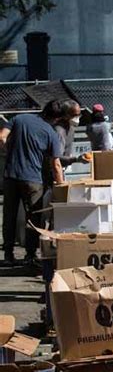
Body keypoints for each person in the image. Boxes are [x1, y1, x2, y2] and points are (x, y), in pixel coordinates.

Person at [2, 100, 63, 266]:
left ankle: (8, 255)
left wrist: (9, 153)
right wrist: (62, 186)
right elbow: (56, 164)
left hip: (10, 176)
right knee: (33, 218)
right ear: (56, 119)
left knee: (9, 216)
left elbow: (2, 137)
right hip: (33, 180)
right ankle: (30, 255)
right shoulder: (51, 133)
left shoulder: (20, 119)